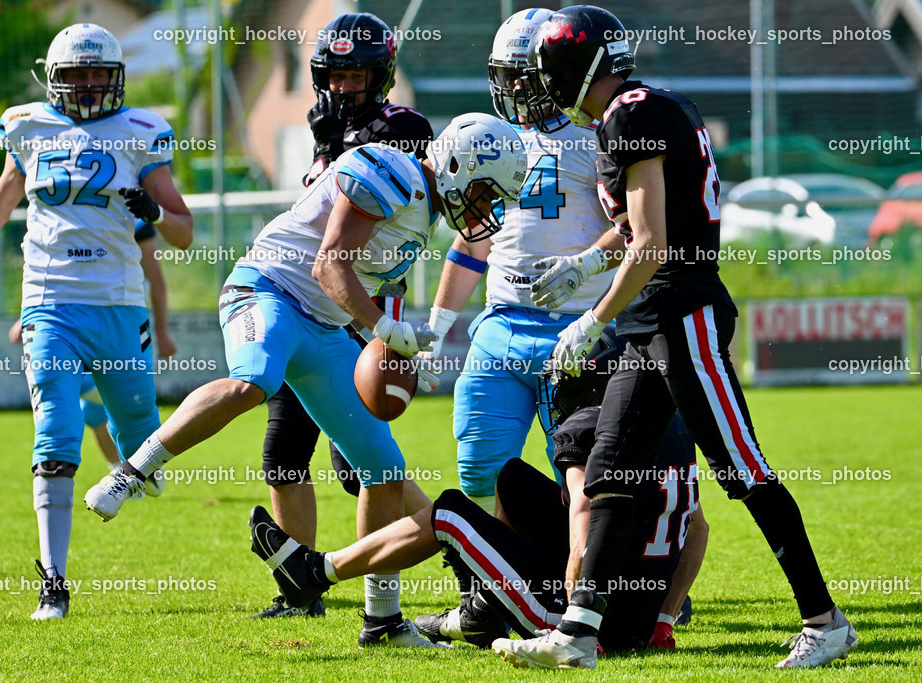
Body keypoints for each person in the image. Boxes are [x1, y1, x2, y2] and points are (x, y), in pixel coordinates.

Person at [490, 6, 857, 669]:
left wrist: (590, 317)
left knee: (741, 467)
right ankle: (577, 632)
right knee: (609, 470)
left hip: (681, 314)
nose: (544, 87)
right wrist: (587, 263)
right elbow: (641, 226)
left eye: (550, 72)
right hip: (650, 320)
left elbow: (655, 244)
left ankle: (825, 620)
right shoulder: (645, 107)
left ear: (575, 68)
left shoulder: (629, 115)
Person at [83, 113, 528, 647]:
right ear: (457, 165)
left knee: (383, 468)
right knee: (254, 381)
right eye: (483, 193)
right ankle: (131, 471)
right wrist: (387, 329)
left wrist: (409, 340)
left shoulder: (425, 207)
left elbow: (360, 282)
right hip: (268, 290)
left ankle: (382, 621)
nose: (484, 209)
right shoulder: (392, 171)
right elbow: (329, 265)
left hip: (325, 329)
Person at [0, 23, 193, 621]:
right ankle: (53, 585)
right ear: (53, 80)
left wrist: (154, 208)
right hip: (49, 303)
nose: (87, 86)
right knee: (55, 430)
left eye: (97, 74)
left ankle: (137, 465)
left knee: (139, 425)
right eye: (76, 75)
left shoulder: (143, 133)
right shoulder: (27, 126)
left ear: (115, 78)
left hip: (117, 304)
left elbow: (185, 233)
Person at [245, 335, 702, 655]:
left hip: (588, 620)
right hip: (633, 614)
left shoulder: (589, 427)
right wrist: (662, 620)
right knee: (513, 479)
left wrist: (575, 625)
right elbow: (696, 531)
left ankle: (317, 572)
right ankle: (486, 606)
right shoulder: (675, 428)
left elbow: (582, 533)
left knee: (449, 514)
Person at [253, 12, 434, 619]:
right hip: (308, 303)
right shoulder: (329, 128)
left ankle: (459, 549)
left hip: (365, 313)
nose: (346, 86)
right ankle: (297, 590)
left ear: (381, 76)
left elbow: (367, 195)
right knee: (283, 453)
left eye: (358, 74)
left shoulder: (403, 126)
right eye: (337, 74)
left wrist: (335, 145)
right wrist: (328, 144)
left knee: (365, 470)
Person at [421, 7, 615, 516]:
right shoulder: (489, 136)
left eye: (521, 76)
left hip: (580, 328)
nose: (511, 88)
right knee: (479, 469)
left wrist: (588, 267)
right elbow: (472, 240)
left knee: (582, 473)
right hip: (502, 323)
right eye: (504, 76)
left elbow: (639, 225)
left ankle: (590, 585)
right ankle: (493, 588)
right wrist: (437, 330)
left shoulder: (600, 136)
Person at [7, 219, 179, 478]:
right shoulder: (65, 215)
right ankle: (122, 476)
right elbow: (56, 275)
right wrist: (32, 317)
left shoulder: (136, 219)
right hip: (69, 322)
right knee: (91, 409)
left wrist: (163, 332)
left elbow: (156, 279)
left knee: (114, 406)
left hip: (120, 324)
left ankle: (138, 469)